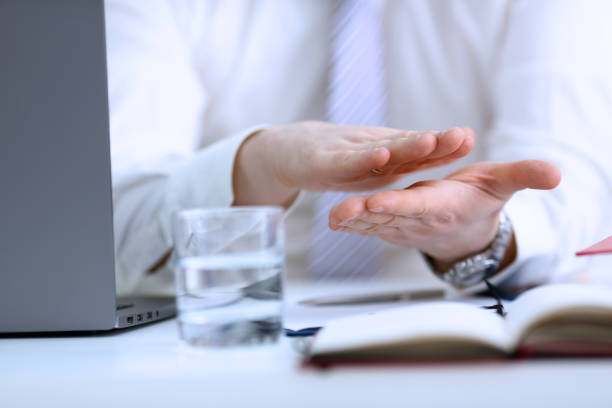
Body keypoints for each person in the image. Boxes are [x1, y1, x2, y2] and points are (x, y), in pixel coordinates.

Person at [105, 0, 612, 297]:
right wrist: (255, 166)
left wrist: (478, 236)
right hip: (231, 322)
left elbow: (571, 188)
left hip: (457, 318)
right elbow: (103, 217)